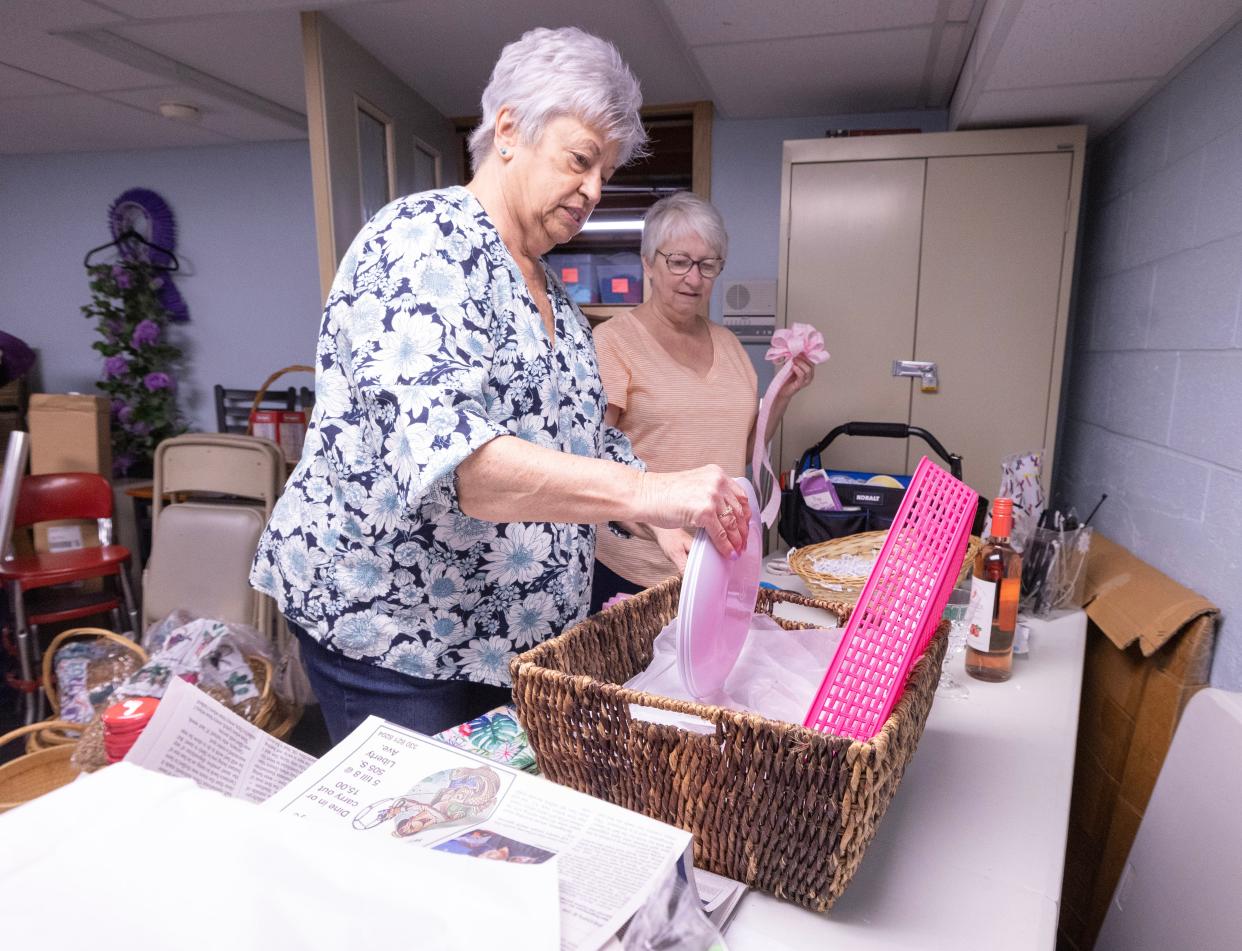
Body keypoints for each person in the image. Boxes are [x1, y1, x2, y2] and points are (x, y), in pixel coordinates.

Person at [250, 27, 748, 743]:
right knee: (423, 838)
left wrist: (660, 515)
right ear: (510, 129)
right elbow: (463, 466)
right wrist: (650, 491)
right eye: (581, 160)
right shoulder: (421, 242)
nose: (593, 191)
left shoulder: (558, 304)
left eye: (605, 171)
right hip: (399, 640)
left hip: (497, 645)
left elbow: (588, 436)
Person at [590, 193, 815, 611]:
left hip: (718, 563)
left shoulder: (729, 346)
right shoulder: (612, 344)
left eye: (708, 265)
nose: (693, 279)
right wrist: (657, 525)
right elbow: (595, 463)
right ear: (648, 262)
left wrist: (779, 398)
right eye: (679, 261)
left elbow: (743, 452)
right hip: (637, 571)